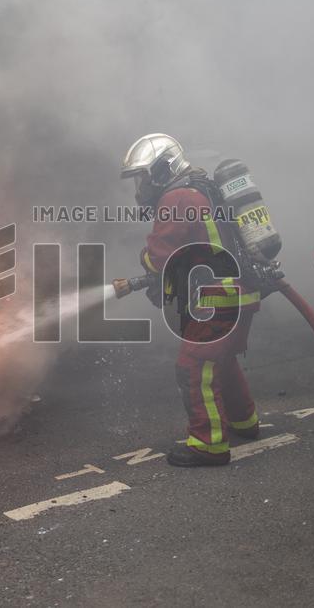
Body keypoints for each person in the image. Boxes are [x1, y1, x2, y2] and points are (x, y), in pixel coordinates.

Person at [121, 133, 262, 467]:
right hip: (240, 292)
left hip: (218, 299)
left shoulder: (178, 198)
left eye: (142, 177)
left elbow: (158, 257)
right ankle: (245, 422)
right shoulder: (199, 187)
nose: (140, 187)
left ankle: (208, 444)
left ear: (160, 170)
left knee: (194, 367)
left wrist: (148, 263)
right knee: (221, 361)